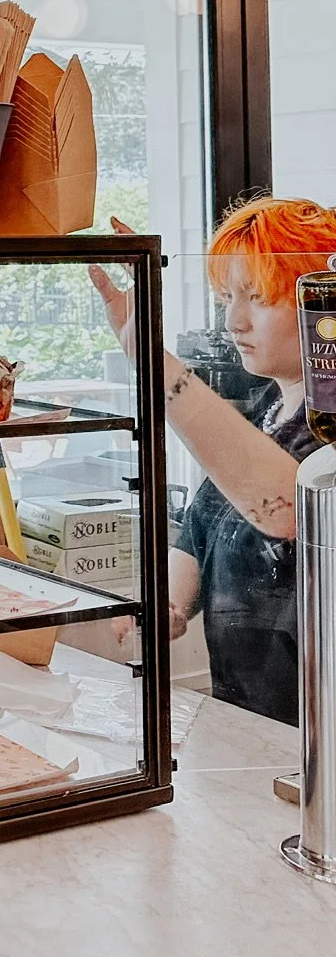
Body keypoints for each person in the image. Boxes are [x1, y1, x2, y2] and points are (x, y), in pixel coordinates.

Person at [91, 196, 336, 726]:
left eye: (259, 298)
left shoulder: (330, 427)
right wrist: (166, 606)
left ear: (325, 309)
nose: (234, 321)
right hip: (248, 725)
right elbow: (201, 534)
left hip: (320, 734)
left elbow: (285, 510)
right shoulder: (264, 413)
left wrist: (153, 360)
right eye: (227, 297)